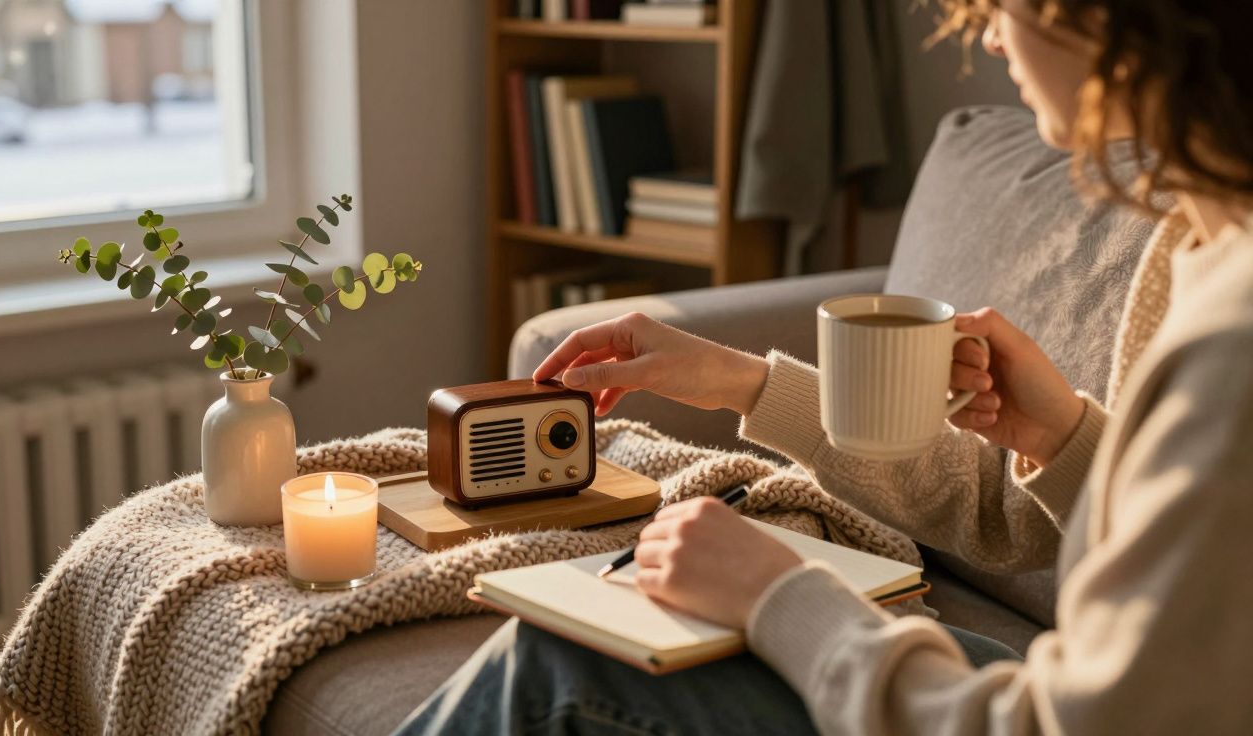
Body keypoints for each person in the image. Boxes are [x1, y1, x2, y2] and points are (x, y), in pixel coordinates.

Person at [396, 0, 1253, 732]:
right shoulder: (1200, 242)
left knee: (564, 662)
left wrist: (781, 596)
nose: (991, 37)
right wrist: (1066, 443)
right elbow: (1192, 568)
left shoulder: (1231, 339)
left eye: (1000, 5)